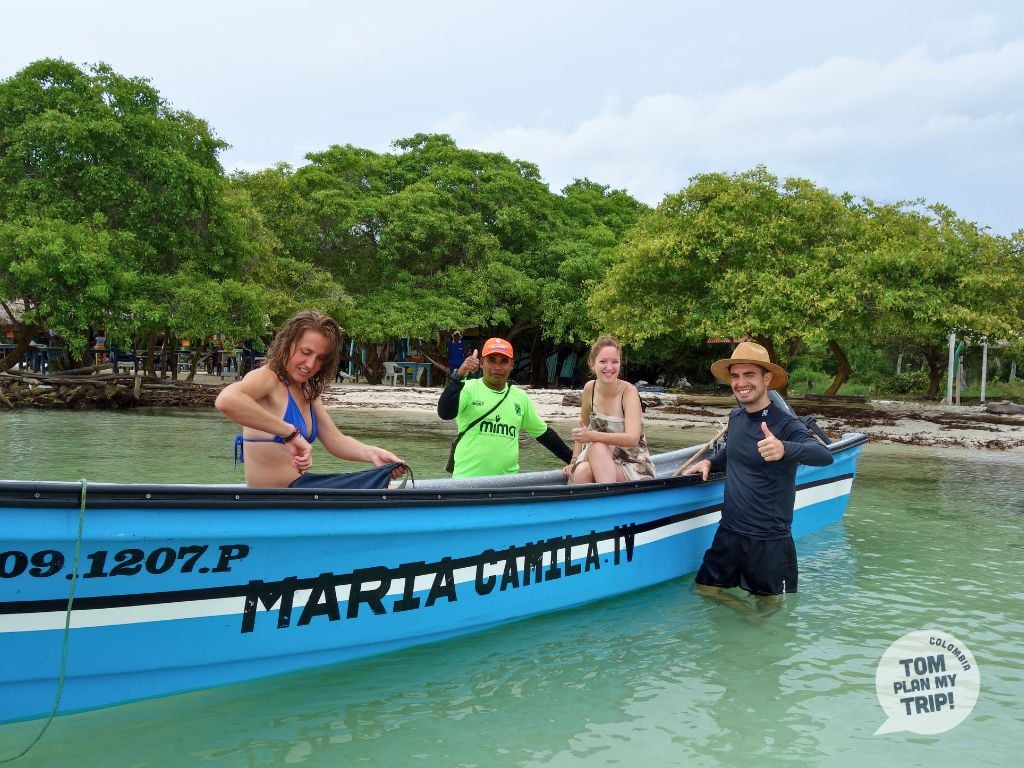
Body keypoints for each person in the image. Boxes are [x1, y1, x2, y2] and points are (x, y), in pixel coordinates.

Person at [683, 341, 834, 616]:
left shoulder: (784, 423)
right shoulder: (736, 417)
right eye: (735, 376)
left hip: (769, 540)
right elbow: (732, 453)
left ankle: (758, 626)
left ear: (766, 379)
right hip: (729, 532)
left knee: (770, 610)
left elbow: (823, 455)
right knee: (705, 589)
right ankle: (747, 616)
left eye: (749, 375)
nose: (741, 383)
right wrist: (709, 461)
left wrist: (784, 449)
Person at [215, 310, 406, 488]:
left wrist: (373, 453)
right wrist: (290, 433)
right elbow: (227, 400)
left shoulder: (307, 389)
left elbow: (335, 440)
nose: (311, 364)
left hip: (304, 493)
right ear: (287, 344)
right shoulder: (267, 378)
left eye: (320, 358)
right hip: (274, 502)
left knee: (373, 479)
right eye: (305, 353)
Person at [437, 337, 572, 478]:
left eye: (504, 361)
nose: (497, 367)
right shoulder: (468, 389)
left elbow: (544, 434)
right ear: (482, 363)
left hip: (507, 484)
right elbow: (445, 413)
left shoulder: (520, 397)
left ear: (512, 364)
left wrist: (575, 460)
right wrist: (459, 375)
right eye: (491, 360)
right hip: (466, 481)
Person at [566, 336, 655, 484]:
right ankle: (596, 505)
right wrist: (574, 460)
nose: (609, 367)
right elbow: (582, 428)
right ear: (592, 364)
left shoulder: (629, 392)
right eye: (603, 361)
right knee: (581, 472)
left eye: (615, 362)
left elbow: (633, 438)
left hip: (632, 464)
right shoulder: (590, 388)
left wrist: (593, 436)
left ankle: (609, 500)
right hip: (598, 459)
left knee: (597, 447)